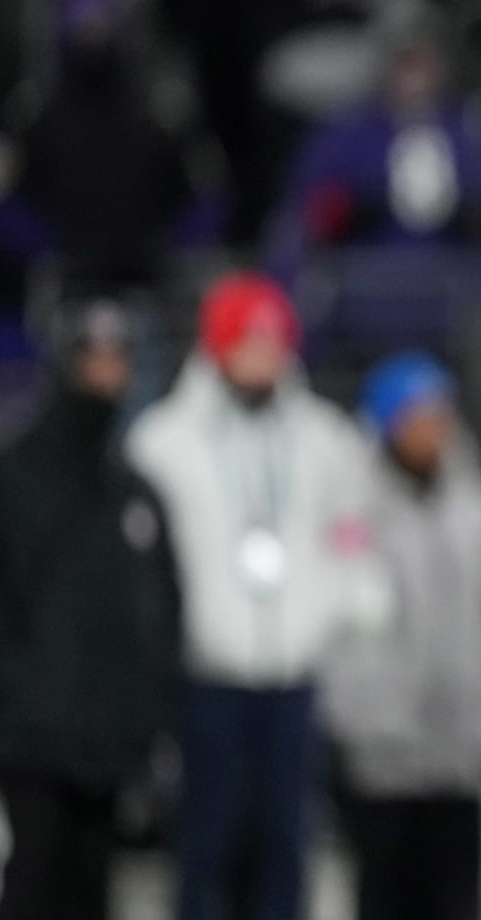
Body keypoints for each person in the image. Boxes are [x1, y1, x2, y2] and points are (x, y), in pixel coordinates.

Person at [126, 272, 367, 920]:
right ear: (217, 347)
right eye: (247, 343)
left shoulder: (324, 437)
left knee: (286, 844)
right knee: (205, 842)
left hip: (293, 671)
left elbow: (352, 536)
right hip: (208, 673)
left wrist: (328, 619)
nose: (262, 358)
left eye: (272, 344)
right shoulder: (161, 444)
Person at [0, 300, 180, 920]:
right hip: (31, 739)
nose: (106, 374)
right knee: (32, 883)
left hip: (109, 739)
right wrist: (8, 685)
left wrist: (149, 709)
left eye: (119, 359)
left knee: (92, 891)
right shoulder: (5, 475)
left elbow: (164, 605)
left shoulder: (132, 487)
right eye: (94, 358)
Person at [320, 352, 481, 920]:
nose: (430, 429)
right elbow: (340, 629)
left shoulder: (479, 508)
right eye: (415, 416)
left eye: (439, 415)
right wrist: (362, 723)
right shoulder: (352, 516)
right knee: (384, 895)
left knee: (460, 898)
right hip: (382, 758)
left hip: (463, 754)